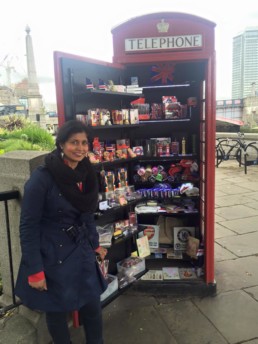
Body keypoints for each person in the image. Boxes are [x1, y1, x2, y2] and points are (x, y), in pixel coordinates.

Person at [15, 120, 108, 344]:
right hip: (52, 254)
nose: (80, 148)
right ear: (61, 144)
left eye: (84, 142)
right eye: (73, 142)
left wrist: (95, 244)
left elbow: (86, 214)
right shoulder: (42, 178)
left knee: (93, 308)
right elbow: (28, 226)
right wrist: (35, 270)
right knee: (56, 312)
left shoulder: (87, 173)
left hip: (82, 249)